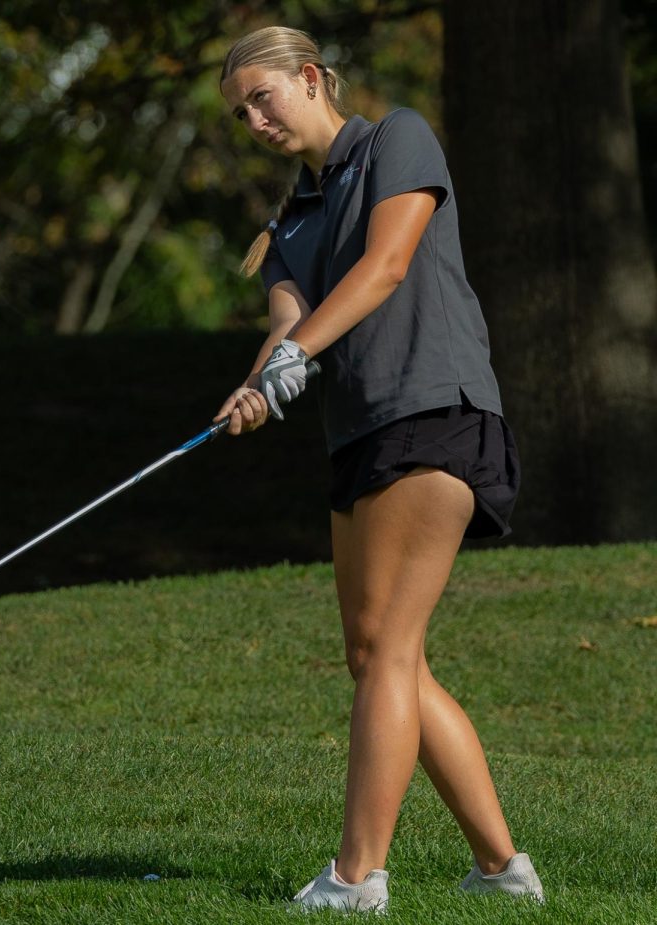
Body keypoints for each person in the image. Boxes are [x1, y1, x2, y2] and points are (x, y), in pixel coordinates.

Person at [212, 26, 545, 914]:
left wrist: (293, 360)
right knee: (374, 653)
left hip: (435, 409)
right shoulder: (291, 217)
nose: (253, 119)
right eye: (240, 111)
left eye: (262, 97)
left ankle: (358, 877)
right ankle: (502, 866)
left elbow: (388, 264)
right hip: (358, 433)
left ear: (312, 78)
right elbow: (289, 324)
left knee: (391, 645)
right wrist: (254, 386)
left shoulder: (398, 137)